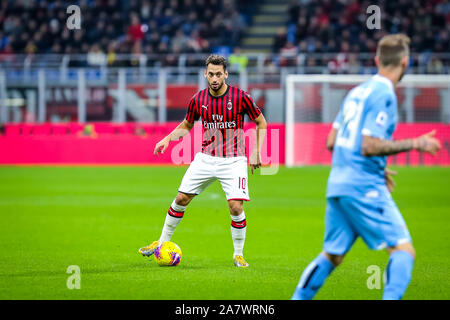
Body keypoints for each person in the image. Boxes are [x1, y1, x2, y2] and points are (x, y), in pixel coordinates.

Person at [291, 34, 441, 300]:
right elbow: (369, 146)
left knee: (332, 255)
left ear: (376, 60)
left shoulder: (356, 92)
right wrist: (416, 143)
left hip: (338, 184)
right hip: (363, 186)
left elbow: (331, 141)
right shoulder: (385, 94)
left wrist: (380, 169)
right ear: (405, 62)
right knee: (404, 251)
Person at [139, 54, 267, 268]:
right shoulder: (198, 100)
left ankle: (238, 254)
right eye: (211, 74)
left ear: (226, 74)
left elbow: (260, 121)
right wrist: (167, 139)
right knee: (181, 199)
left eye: (219, 74)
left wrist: (256, 152)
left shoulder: (241, 97)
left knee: (235, 207)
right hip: (206, 159)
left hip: (234, 160)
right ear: (205, 74)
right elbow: (187, 125)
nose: (215, 78)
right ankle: (161, 243)